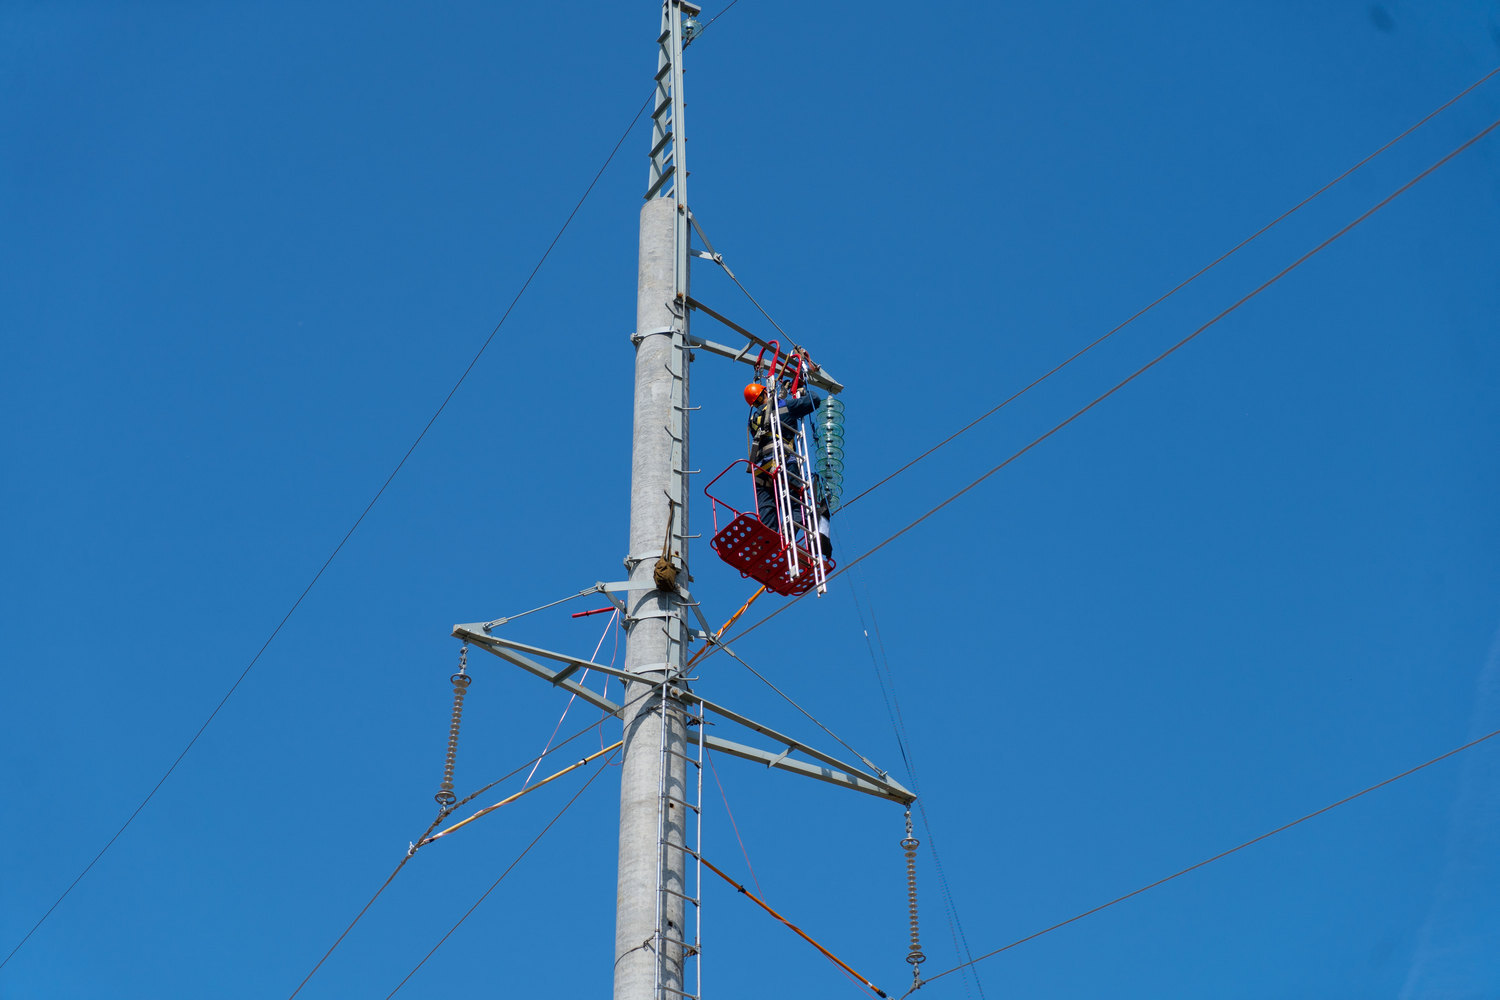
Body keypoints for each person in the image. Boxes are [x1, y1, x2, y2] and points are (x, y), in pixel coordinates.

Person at [744, 382, 831, 558]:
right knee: (797, 506)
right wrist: (802, 391)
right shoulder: (784, 407)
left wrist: (781, 397)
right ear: (765, 393)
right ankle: (788, 534)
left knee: (767, 515)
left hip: (763, 472)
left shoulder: (754, 421)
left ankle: (769, 549)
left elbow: (770, 419)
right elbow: (814, 400)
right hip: (784, 463)